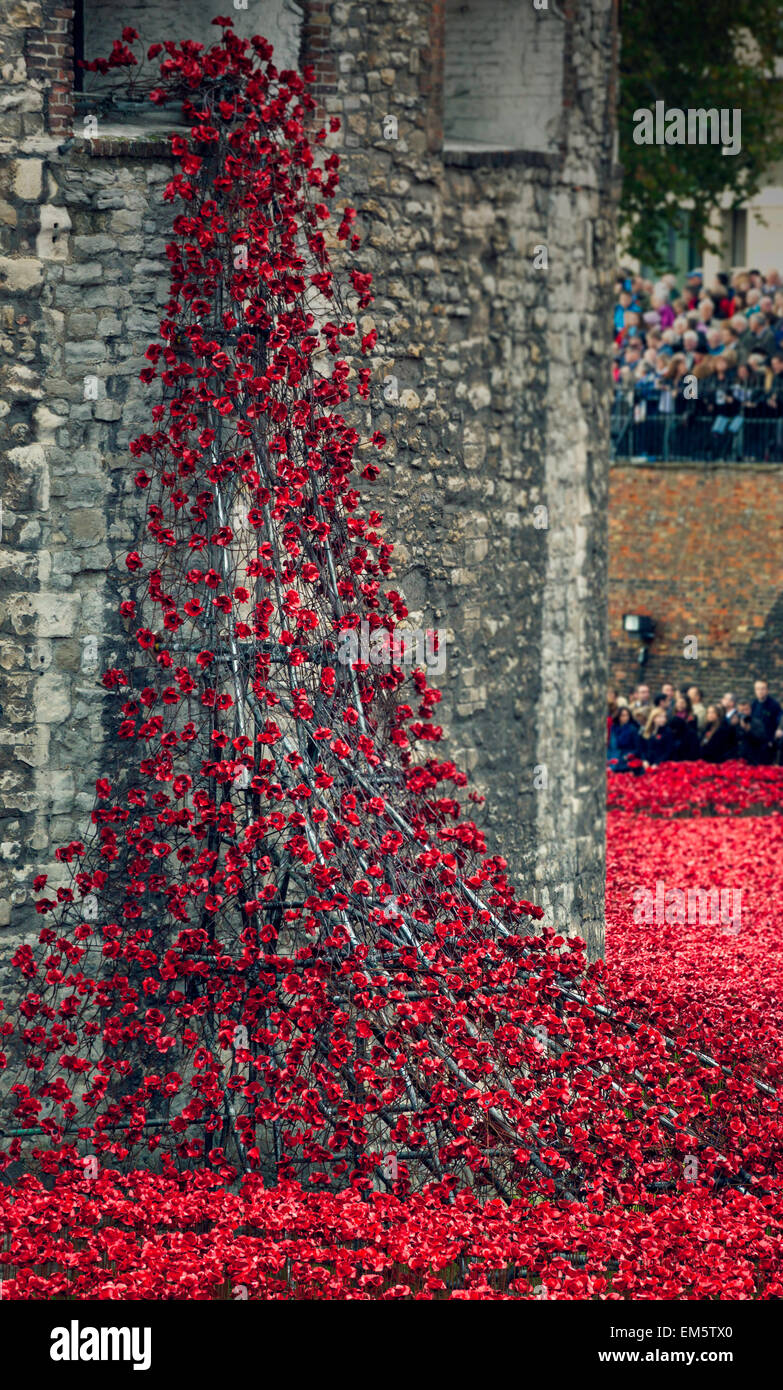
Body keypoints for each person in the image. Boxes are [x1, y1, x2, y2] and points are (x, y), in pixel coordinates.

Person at [746, 680, 782, 765]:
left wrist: (774, 738)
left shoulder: (774, 705)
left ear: (767, 690)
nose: (760, 691)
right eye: (758, 689)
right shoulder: (753, 704)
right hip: (754, 742)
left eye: (763, 689)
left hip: (768, 743)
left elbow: (779, 722)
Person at [607, 707, 647, 774]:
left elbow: (638, 747)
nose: (625, 717)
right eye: (623, 715)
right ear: (618, 716)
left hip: (627, 758)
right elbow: (611, 745)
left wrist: (629, 755)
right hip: (615, 757)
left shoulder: (632, 729)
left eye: (627, 715)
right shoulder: (613, 728)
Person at [667, 693, 700, 760]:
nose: (680, 705)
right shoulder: (670, 716)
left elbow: (692, 732)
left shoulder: (692, 717)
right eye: (678, 703)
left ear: (687, 704)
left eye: (682, 703)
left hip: (685, 746)